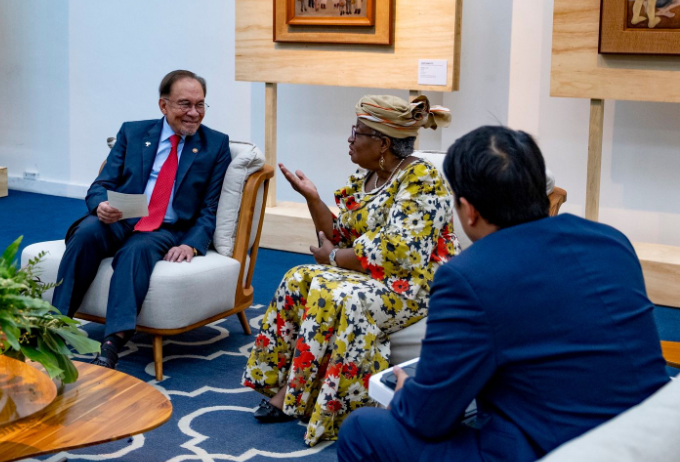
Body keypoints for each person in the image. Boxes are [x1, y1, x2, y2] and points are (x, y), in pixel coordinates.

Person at [337, 126, 670, 462]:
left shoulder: (467, 276)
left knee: (362, 429)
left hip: (559, 450)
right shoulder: (611, 241)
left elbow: (427, 419)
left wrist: (407, 395)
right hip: (654, 434)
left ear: (468, 211)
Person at [242, 95, 459, 446]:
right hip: (374, 275)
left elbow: (400, 251)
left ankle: (336, 407)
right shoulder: (367, 177)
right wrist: (312, 198)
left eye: (358, 132)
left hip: (415, 284)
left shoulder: (421, 178)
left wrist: (333, 258)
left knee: (337, 293)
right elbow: (339, 236)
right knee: (298, 278)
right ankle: (291, 386)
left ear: (383, 143)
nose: (350, 138)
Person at [51, 70, 231, 369]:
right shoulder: (133, 133)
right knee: (86, 234)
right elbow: (101, 184)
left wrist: (191, 244)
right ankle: (54, 326)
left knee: (136, 252)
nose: (194, 113)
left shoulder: (215, 144)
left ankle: (111, 344)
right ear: (163, 105)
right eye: (184, 104)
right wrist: (101, 205)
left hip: (165, 227)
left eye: (200, 104)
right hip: (122, 216)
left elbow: (209, 206)